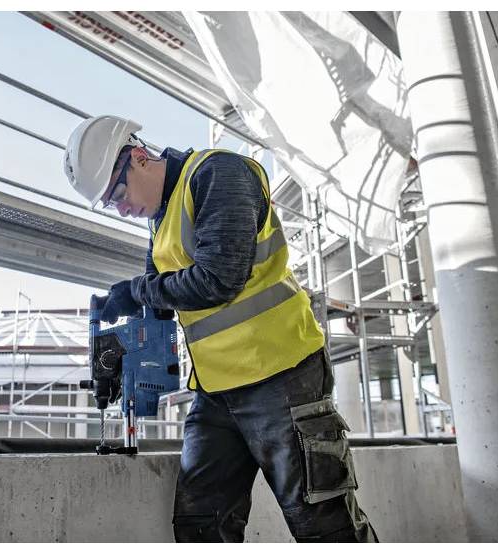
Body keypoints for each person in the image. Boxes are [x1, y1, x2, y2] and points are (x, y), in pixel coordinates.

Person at [63, 115, 377, 543]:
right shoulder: (160, 225)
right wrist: (120, 353)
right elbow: (161, 302)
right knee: (200, 526)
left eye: (118, 193)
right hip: (215, 393)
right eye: (109, 204)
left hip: (282, 376)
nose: (122, 208)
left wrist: (136, 291)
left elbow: (219, 279)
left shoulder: (217, 174)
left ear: (138, 157)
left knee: (324, 525)